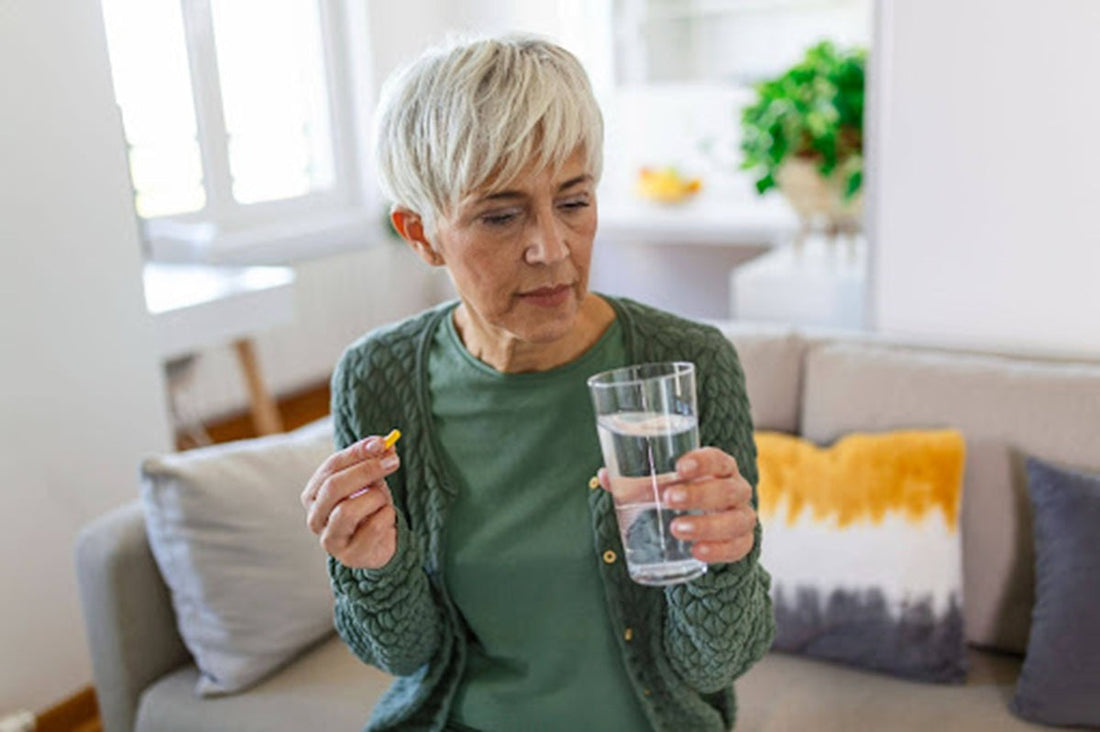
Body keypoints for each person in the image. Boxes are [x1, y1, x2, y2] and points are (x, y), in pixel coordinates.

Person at [300, 35, 774, 732]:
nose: (551, 248)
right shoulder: (377, 378)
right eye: (500, 214)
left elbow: (716, 663)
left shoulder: (689, 362)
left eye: (574, 203)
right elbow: (403, 655)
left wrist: (726, 560)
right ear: (422, 233)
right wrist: (373, 567)